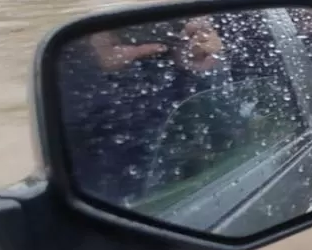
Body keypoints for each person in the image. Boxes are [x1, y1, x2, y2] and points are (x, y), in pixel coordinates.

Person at [59, 17, 225, 206]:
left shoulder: (170, 73)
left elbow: (221, 121)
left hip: (171, 184)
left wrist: (196, 67)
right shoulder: (75, 64)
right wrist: (88, 61)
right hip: (120, 194)